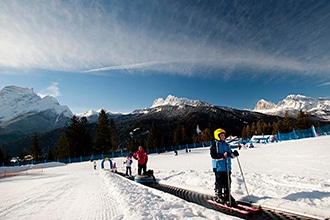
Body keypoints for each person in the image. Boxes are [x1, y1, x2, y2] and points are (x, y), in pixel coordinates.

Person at [210, 128, 239, 207]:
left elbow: (229, 155)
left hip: (227, 167)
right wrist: (222, 156)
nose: (223, 137)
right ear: (217, 136)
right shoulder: (215, 145)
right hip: (219, 167)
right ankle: (218, 194)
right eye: (221, 135)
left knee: (228, 182)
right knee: (220, 182)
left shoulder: (226, 144)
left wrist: (234, 155)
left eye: (224, 135)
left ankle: (227, 194)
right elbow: (213, 156)